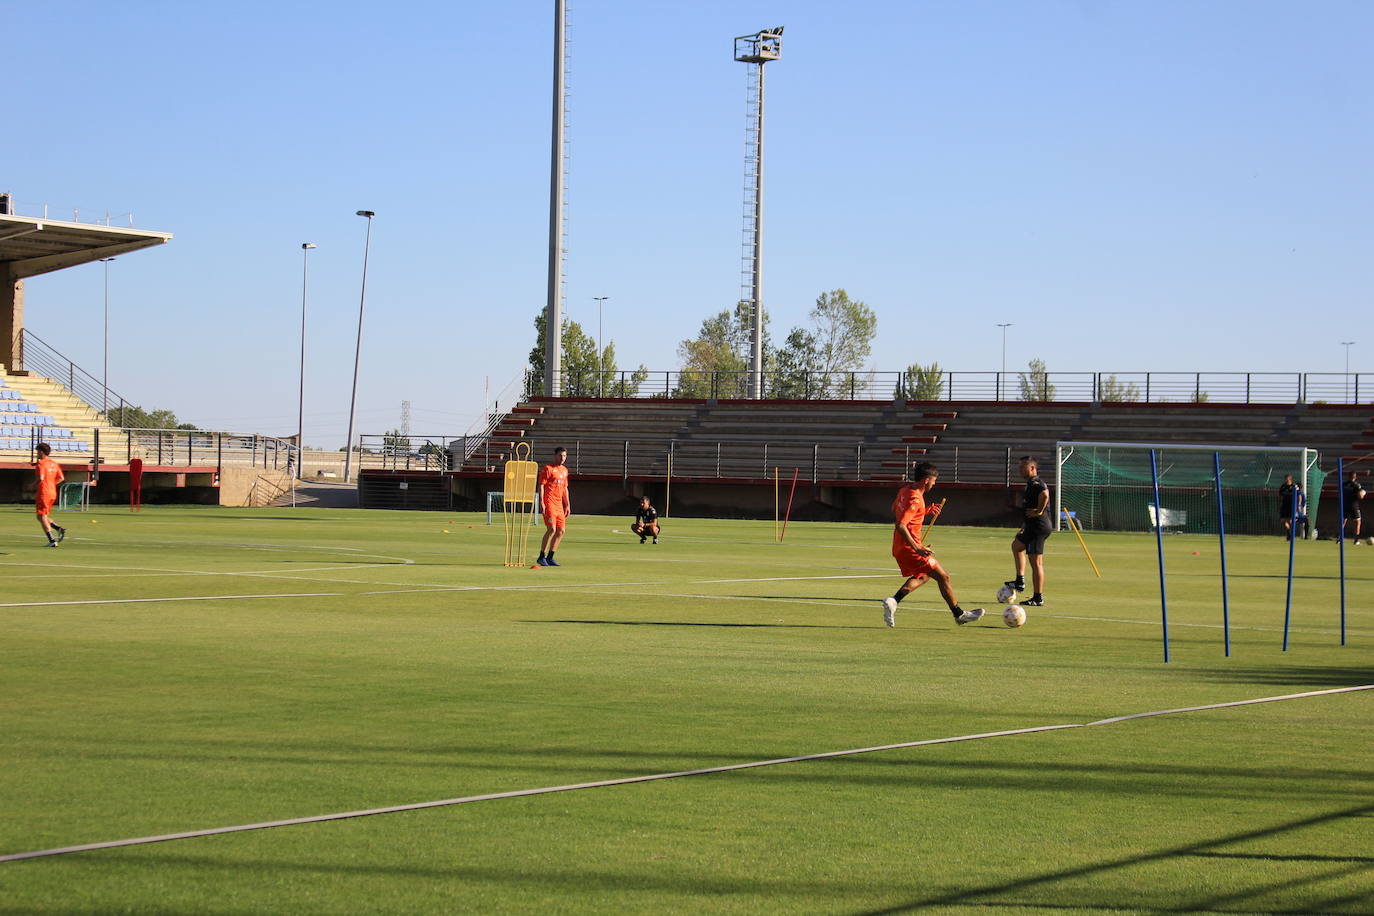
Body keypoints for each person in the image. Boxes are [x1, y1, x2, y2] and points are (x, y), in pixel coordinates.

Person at [880, 461, 984, 627]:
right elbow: (900, 524)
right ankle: (959, 615)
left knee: (924, 575)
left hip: (899, 547)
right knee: (944, 577)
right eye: (934, 481)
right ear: (926, 480)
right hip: (910, 548)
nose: (934, 484)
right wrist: (917, 547)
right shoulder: (915, 498)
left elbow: (896, 508)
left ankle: (894, 600)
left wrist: (924, 511)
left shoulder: (905, 490)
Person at [1005, 455, 1051, 607]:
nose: (1020, 470)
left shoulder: (1036, 482)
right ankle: (1020, 581)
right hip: (1031, 526)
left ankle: (1038, 598)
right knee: (1016, 546)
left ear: (1032, 468)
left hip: (1038, 527)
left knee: (1036, 562)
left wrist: (1038, 511)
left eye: (1023, 467)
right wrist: (1025, 525)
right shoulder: (1029, 483)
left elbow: (1045, 494)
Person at [535, 446, 570, 567]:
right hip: (549, 503)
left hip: (559, 505)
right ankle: (541, 556)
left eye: (564, 456)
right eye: (560, 455)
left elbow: (565, 489)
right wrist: (542, 503)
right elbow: (541, 486)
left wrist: (567, 505)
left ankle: (550, 557)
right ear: (555, 455)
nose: (562, 458)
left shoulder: (564, 470)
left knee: (561, 531)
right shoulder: (548, 469)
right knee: (552, 529)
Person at [34, 442, 66, 548]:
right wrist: (52, 484)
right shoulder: (54, 463)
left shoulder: (41, 463)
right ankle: (58, 528)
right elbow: (61, 478)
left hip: (44, 492)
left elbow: (41, 478)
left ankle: (52, 540)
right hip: (52, 492)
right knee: (40, 516)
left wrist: (31, 485)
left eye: (37, 451)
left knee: (42, 516)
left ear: (41, 452)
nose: (37, 453)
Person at [1278, 475, 1309, 541]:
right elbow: (1280, 495)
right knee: (1283, 521)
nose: (1286, 480)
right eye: (1285, 479)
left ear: (1290, 479)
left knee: (1290, 521)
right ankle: (1289, 532)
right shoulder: (1283, 486)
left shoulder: (1294, 486)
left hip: (1292, 506)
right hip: (1284, 506)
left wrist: (1299, 505)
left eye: (1287, 479)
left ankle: (1291, 535)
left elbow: (1299, 495)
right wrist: (1280, 504)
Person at [1343, 470, 1367, 545]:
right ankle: (1356, 540)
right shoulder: (1356, 485)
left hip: (1345, 505)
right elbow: (1360, 496)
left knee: (1343, 522)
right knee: (1357, 522)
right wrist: (1363, 493)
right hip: (1354, 506)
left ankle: (1339, 538)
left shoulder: (1344, 484)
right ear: (1355, 477)